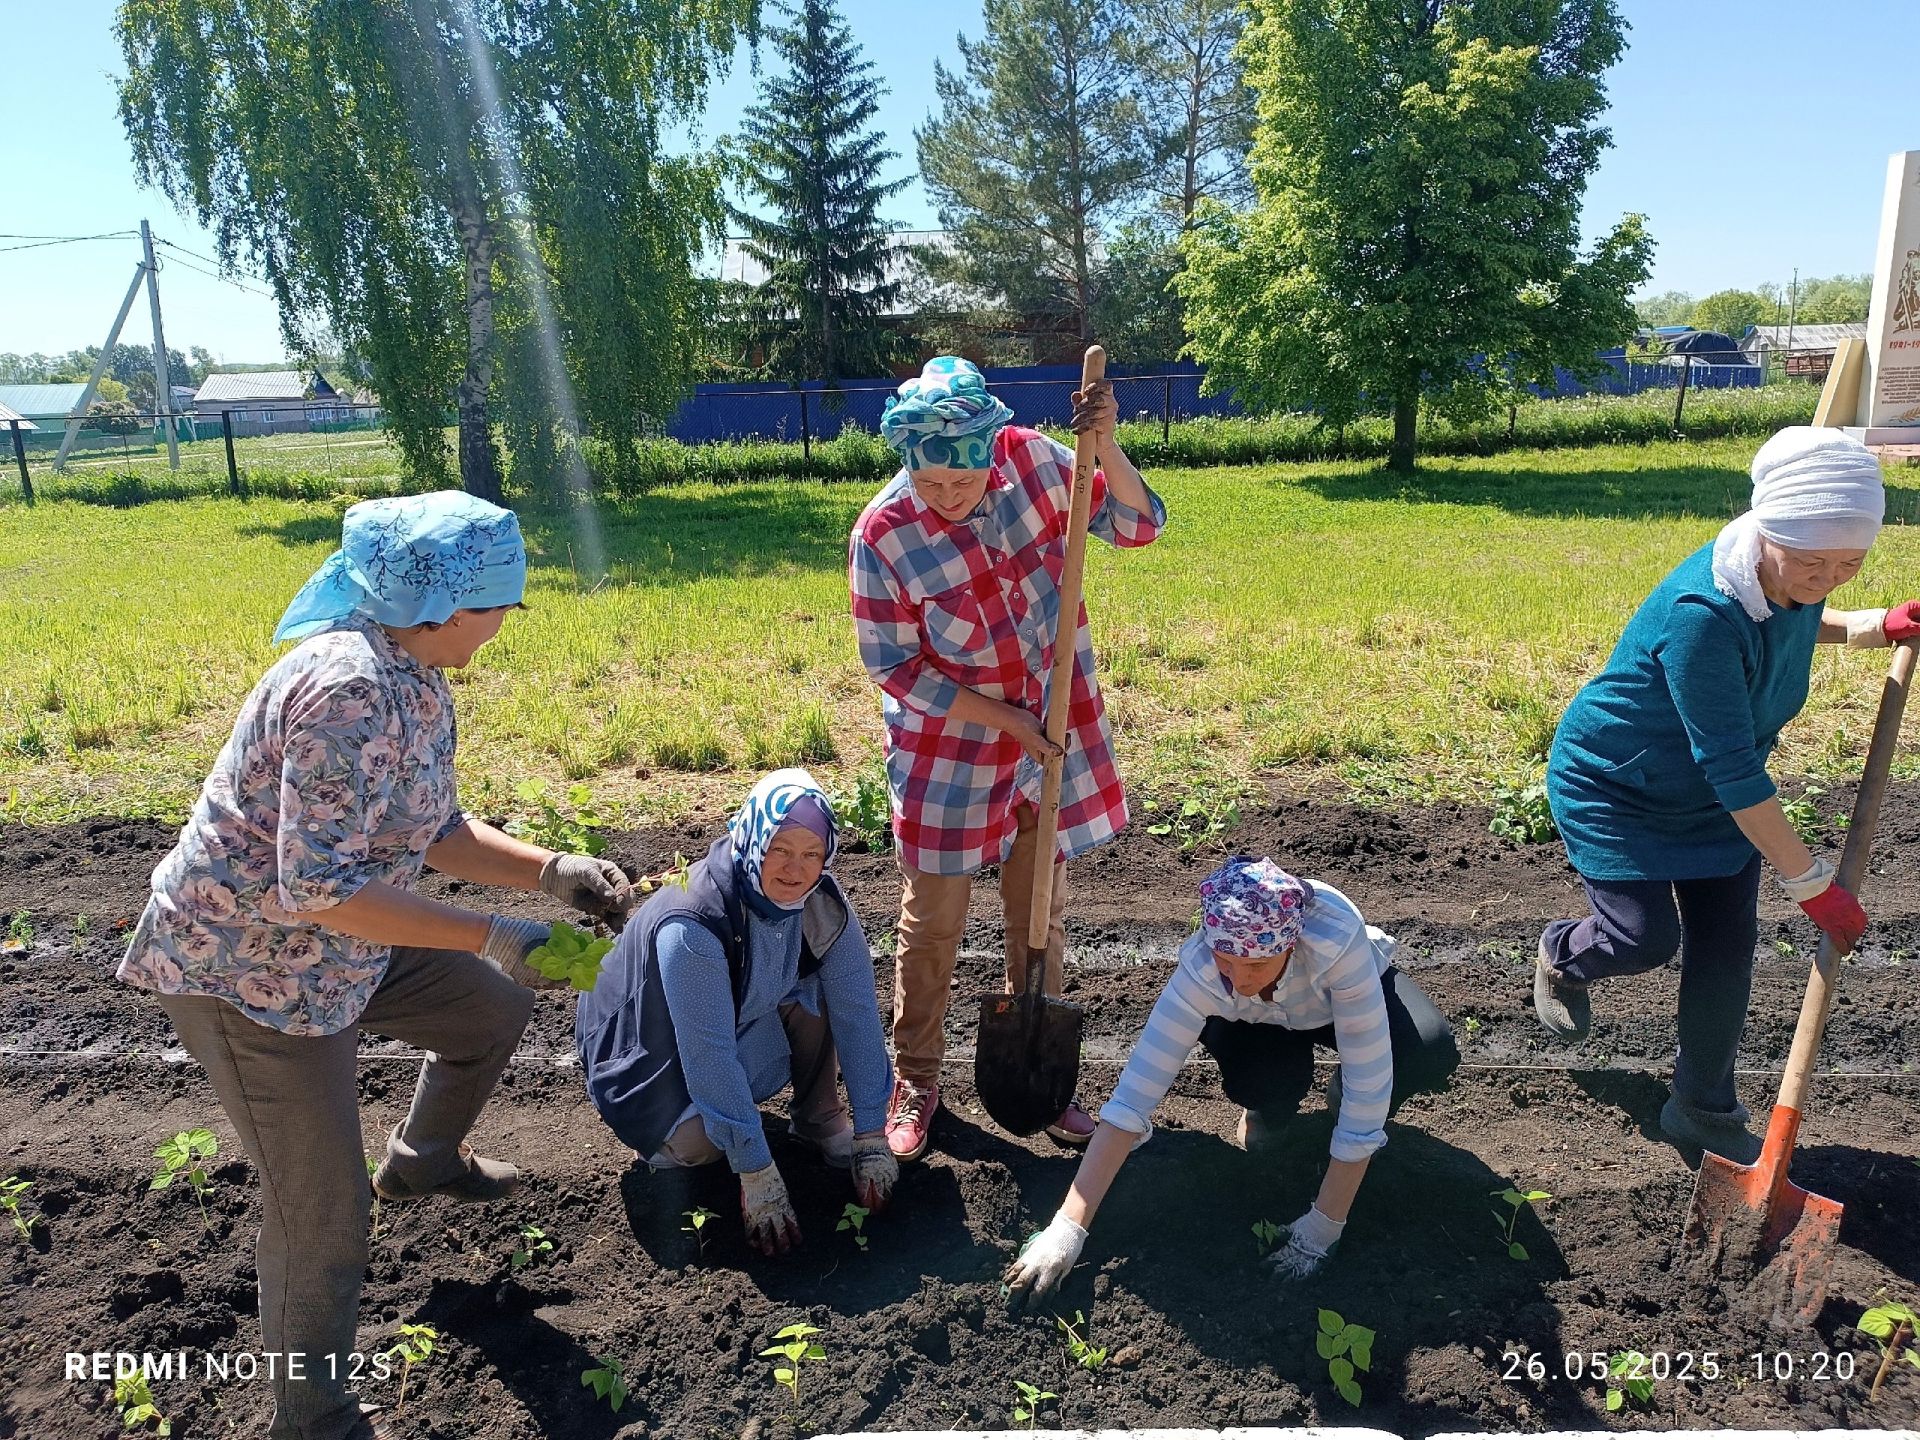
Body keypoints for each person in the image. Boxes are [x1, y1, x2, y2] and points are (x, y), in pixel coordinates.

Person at [116, 492, 632, 1440]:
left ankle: (423, 1162)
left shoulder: (415, 672)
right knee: (322, 1218)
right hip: (250, 970)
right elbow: (318, 890)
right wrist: (490, 933)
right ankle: (312, 1418)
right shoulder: (347, 691)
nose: (510, 621)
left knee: (485, 1016)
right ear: (444, 608)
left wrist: (550, 872)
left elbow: (427, 830)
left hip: (342, 942)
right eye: (503, 604)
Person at [1535, 427, 1920, 1163]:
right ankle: (1562, 954)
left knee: (1726, 953)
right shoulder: (1703, 614)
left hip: (1712, 804)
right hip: (1620, 788)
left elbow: (1803, 615)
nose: (1830, 577)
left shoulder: (1786, 572)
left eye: (1852, 562)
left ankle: (1703, 1109)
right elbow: (1737, 771)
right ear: (1766, 533)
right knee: (1640, 939)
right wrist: (1811, 884)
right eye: (1814, 561)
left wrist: (1875, 626)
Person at [849, 355, 1167, 1160]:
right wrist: (1002, 719)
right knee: (935, 922)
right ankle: (915, 1077)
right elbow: (894, 665)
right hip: (951, 746)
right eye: (932, 485)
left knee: (1039, 911)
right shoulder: (884, 534)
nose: (949, 499)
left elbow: (1138, 524)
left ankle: (1042, 1078)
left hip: (1051, 734)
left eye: (963, 482)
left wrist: (1110, 444)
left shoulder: (1036, 462)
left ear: (992, 448)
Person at [1003, 856, 1459, 1301]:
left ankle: (1332, 1126)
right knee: (1262, 1077)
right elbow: (1133, 1097)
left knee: (1424, 1050)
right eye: (1226, 960)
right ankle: (1268, 1113)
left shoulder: (1336, 945)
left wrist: (1324, 1226)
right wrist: (1068, 1227)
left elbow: (1368, 1083)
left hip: (1328, 1000)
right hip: (1259, 1021)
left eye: (1256, 965)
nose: (1238, 978)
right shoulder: (1202, 969)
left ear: (1290, 944)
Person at [575, 769, 898, 1255]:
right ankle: (670, 1142)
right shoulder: (694, 922)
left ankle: (818, 1119)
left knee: (821, 992)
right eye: (780, 850)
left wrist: (872, 1133)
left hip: (730, 1013)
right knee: (701, 1144)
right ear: (752, 838)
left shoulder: (819, 902)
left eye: (812, 854)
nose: (795, 869)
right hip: (643, 1051)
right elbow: (708, 1055)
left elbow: (857, 1009)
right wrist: (757, 1171)